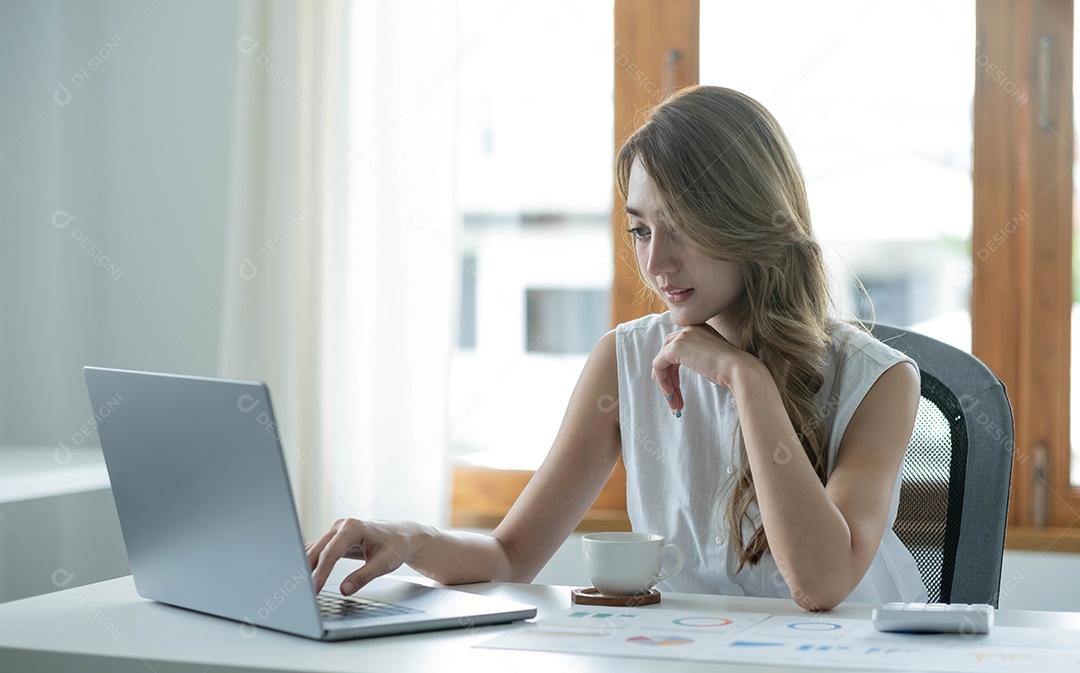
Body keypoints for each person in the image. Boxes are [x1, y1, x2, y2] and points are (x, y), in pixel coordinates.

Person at [307, 85, 928, 612]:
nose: (656, 262)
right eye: (640, 229)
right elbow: (511, 555)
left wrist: (749, 383)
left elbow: (819, 584)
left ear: (752, 220)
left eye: (680, 227)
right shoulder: (627, 360)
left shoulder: (878, 380)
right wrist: (411, 539)